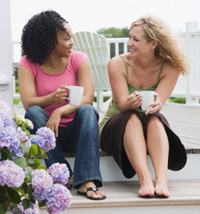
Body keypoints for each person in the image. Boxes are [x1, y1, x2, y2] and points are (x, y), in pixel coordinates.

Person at [18, 10, 106, 200]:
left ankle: (87, 180)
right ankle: (64, 174)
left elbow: (88, 96)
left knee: (88, 110)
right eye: (66, 38)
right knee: (33, 112)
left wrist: (60, 110)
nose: (72, 43)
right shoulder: (27, 63)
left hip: (76, 131)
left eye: (71, 37)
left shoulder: (78, 59)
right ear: (49, 41)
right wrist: (52, 98)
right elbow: (27, 102)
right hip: (47, 131)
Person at [99, 16, 189, 198]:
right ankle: (144, 179)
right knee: (132, 117)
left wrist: (158, 103)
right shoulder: (117, 63)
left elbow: (158, 104)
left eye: (135, 39)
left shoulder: (170, 67)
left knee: (155, 119)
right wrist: (130, 103)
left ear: (153, 44)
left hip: (148, 121)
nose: (129, 43)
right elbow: (124, 105)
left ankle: (162, 179)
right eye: (130, 37)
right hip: (116, 124)